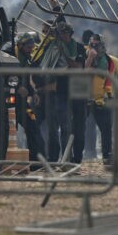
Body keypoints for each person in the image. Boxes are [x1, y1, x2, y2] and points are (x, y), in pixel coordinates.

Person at [37, 21, 86, 162]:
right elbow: (45, 68)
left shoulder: (78, 48)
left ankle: (77, 159)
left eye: (64, 33)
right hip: (62, 91)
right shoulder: (52, 48)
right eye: (59, 34)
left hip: (79, 90)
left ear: (69, 34)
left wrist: (63, 54)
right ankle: (65, 158)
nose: (61, 36)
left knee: (79, 129)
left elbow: (77, 67)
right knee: (65, 126)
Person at [12, 32, 46, 162]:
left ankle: (36, 161)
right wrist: (17, 87)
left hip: (22, 103)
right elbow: (6, 76)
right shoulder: (11, 56)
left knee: (32, 124)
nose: (31, 50)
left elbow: (25, 79)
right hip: (8, 103)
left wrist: (33, 93)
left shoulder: (26, 59)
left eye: (32, 47)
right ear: (20, 45)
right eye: (28, 47)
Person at [84, 33, 114, 163]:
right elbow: (83, 71)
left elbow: (111, 76)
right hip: (84, 98)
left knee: (106, 129)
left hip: (102, 99)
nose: (94, 46)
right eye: (92, 44)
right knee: (83, 128)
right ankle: (82, 154)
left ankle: (107, 155)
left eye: (97, 44)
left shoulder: (108, 60)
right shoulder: (85, 54)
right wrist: (90, 58)